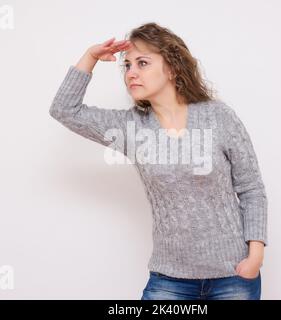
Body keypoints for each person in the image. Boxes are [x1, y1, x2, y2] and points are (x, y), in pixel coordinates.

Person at [49, 22, 268, 300]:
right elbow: (64, 109)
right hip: (169, 280)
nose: (131, 73)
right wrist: (90, 57)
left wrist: (255, 258)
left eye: (142, 63)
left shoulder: (219, 116)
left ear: (173, 68)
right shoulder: (131, 128)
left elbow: (251, 189)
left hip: (233, 276)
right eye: (127, 66)